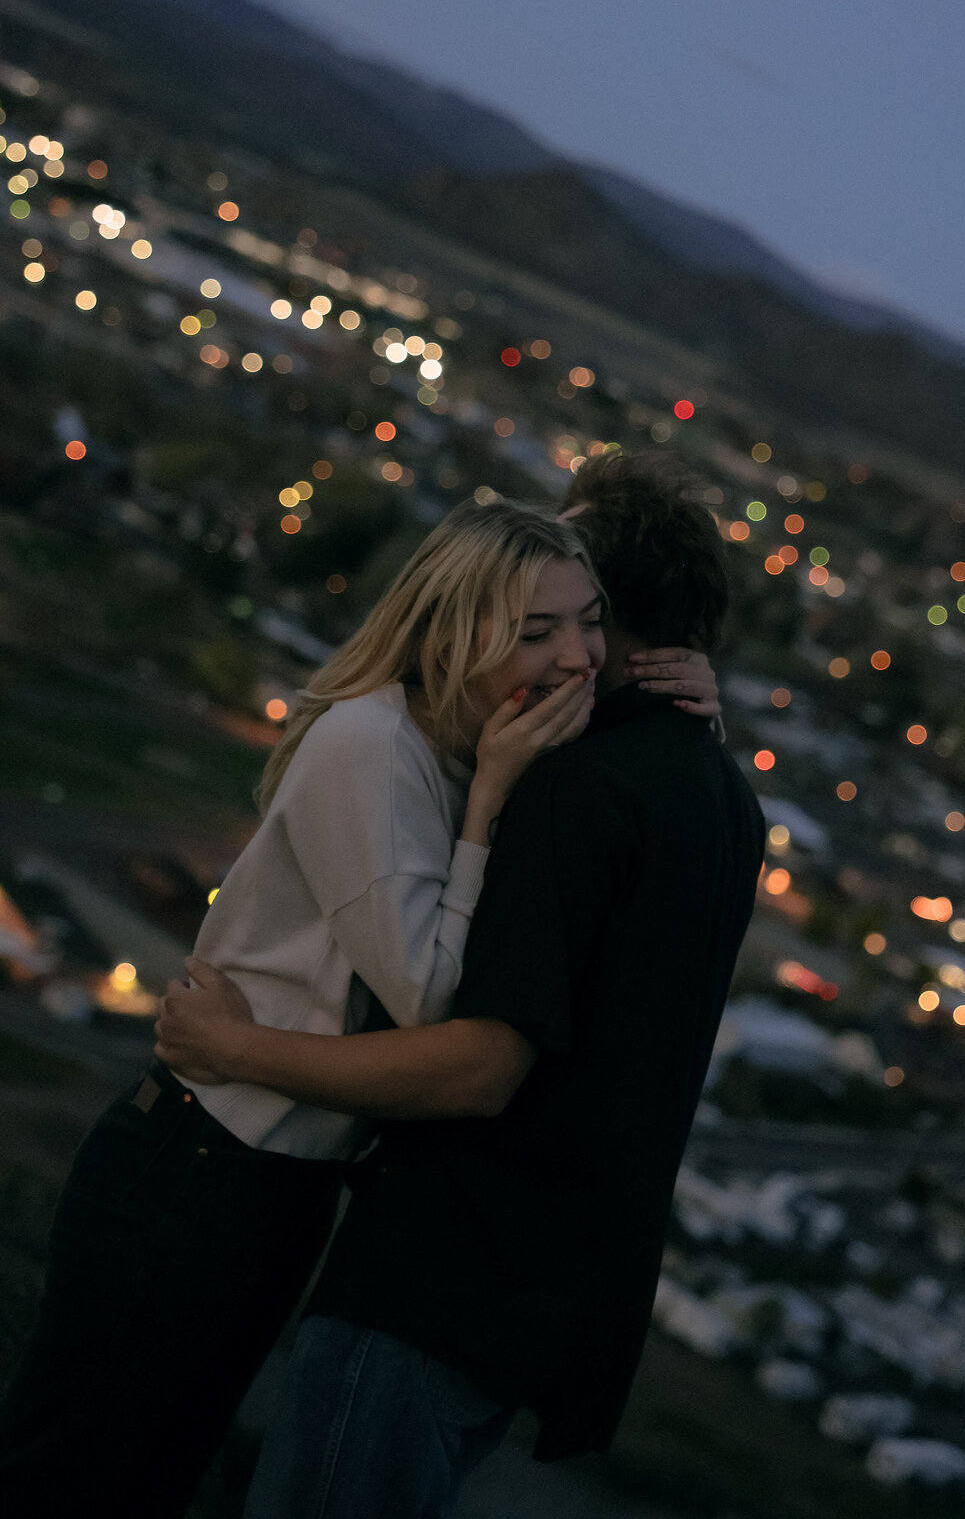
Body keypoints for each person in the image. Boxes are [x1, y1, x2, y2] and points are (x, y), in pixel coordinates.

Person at [0, 495, 713, 1519]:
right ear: (457, 631)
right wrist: (486, 811)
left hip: (281, 1194)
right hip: (193, 1173)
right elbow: (427, 997)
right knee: (70, 1480)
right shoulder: (373, 749)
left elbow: (644, 763)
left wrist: (695, 689)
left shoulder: (473, 743)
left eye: (590, 619)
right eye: (536, 629)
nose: (579, 655)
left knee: (149, 1484)